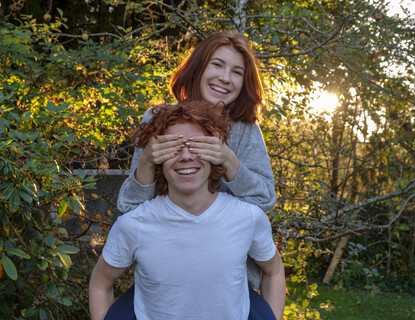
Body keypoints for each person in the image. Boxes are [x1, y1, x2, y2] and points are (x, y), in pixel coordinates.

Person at [89, 101, 285, 320]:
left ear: (215, 154)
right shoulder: (133, 224)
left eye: (196, 146)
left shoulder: (248, 218)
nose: (186, 156)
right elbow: (100, 284)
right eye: (174, 148)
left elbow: (274, 271)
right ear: (158, 159)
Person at [117, 30, 276, 294]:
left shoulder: (246, 130)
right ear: (199, 67)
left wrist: (227, 159)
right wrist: (146, 161)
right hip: (166, 275)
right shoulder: (159, 120)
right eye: (217, 64)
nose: (225, 78)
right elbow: (129, 208)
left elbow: (265, 200)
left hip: (232, 280)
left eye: (237, 72)